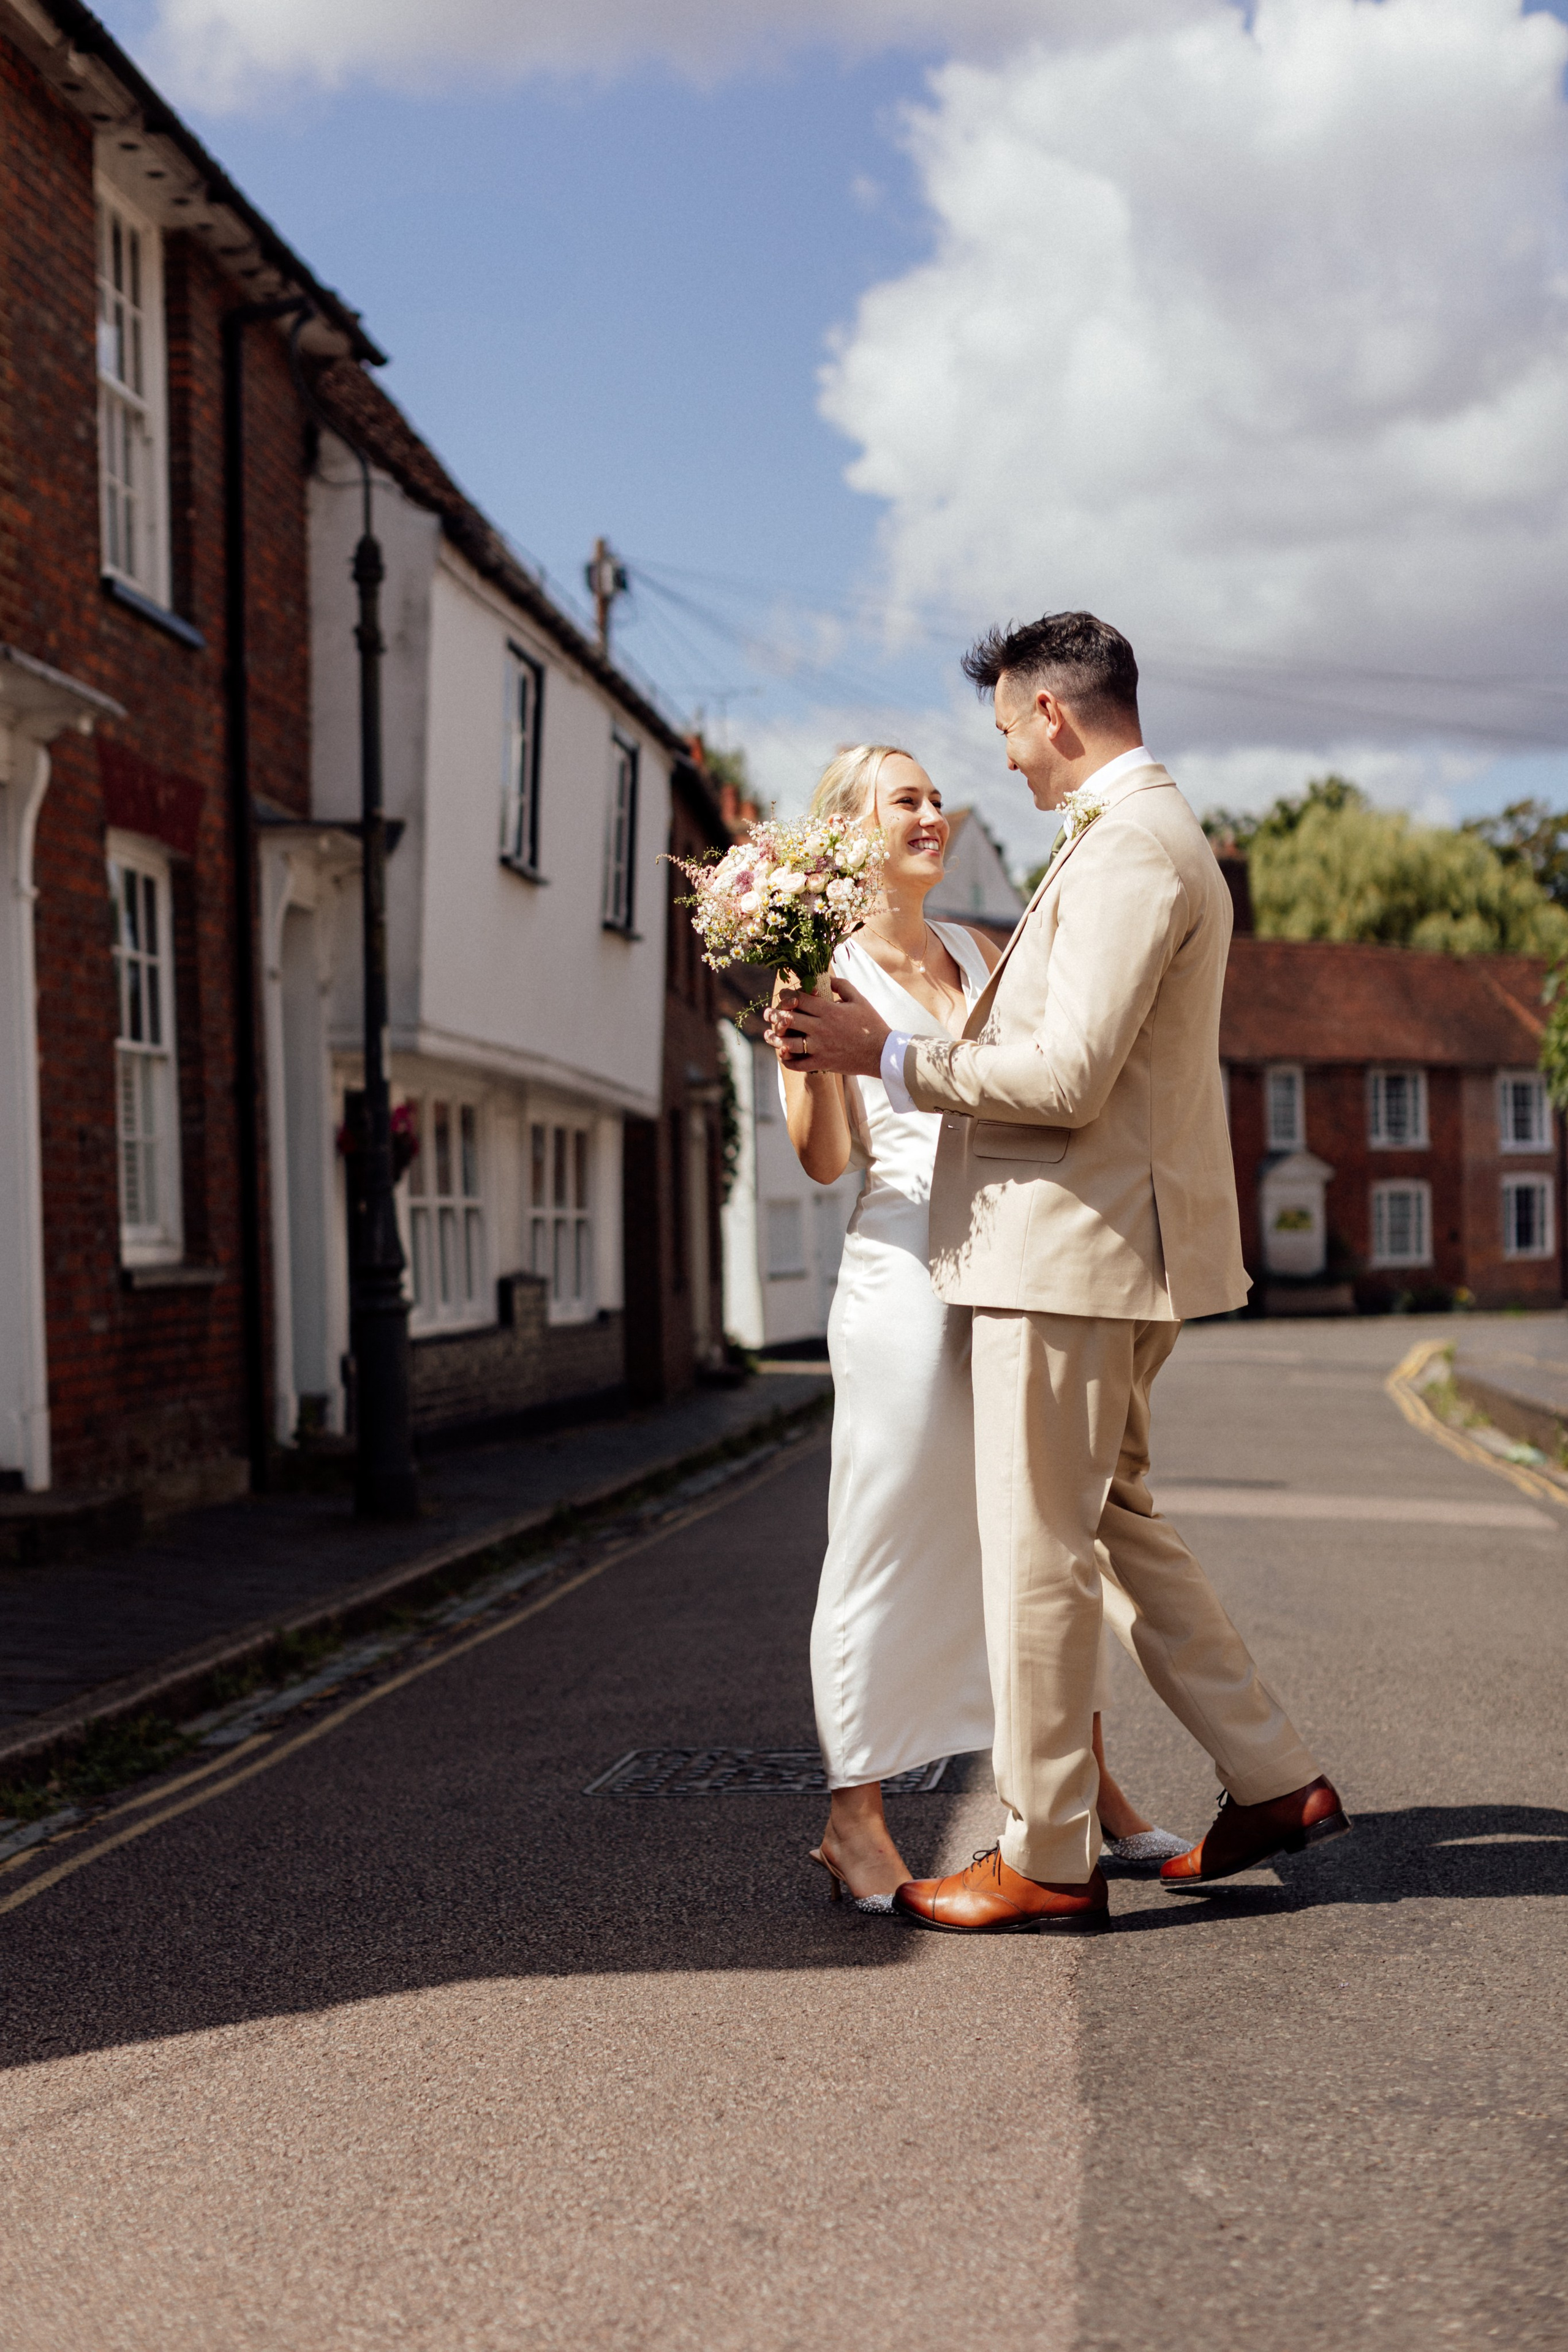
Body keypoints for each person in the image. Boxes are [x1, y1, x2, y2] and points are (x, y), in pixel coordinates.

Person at [775, 615, 1349, 1933]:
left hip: (1067, 1247)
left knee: (1036, 1549)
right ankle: (1269, 1777)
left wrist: (889, 1059)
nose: (1002, 778)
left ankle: (1044, 1856)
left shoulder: (1127, 847)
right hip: (1071, 1243)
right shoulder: (1136, 839)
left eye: (1003, 744)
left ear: (1049, 714)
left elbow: (1066, 1076)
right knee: (1112, 1518)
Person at [772, 741, 1186, 1915]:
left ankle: (1088, 1788)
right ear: (849, 828)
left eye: (937, 797)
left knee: (1038, 1529)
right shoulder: (825, 966)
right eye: (906, 799)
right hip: (901, 1273)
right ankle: (854, 1821)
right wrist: (804, 1045)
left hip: (1003, 1254)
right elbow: (824, 1161)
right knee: (885, 1526)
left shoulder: (977, 949)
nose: (933, 814)